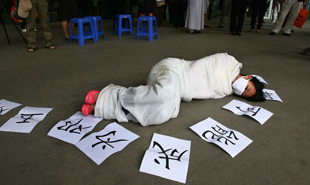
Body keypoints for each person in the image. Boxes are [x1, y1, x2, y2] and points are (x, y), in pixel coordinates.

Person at [80, 53, 265, 126]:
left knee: (163, 113)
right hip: (172, 70)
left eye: (244, 95)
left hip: (177, 88)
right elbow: (202, 69)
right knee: (164, 94)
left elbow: (205, 87)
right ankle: (110, 94)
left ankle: (103, 106)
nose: (242, 92)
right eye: (247, 88)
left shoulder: (225, 90)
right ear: (248, 77)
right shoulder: (229, 61)